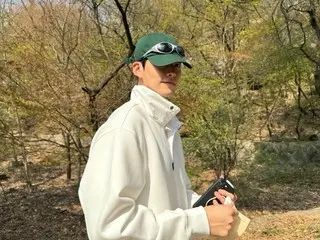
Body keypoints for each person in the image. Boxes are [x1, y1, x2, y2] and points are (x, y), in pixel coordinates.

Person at [78, 32, 237, 240]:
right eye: (162, 65)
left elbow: (177, 196)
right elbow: (109, 225)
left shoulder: (168, 125)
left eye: (176, 66)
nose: (172, 72)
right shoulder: (124, 128)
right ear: (137, 69)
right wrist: (197, 221)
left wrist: (208, 207)